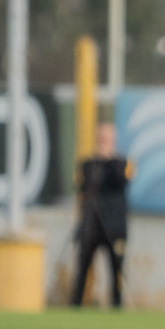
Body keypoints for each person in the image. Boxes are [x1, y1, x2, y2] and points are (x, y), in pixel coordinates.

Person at [71, 122, 131, 308]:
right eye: (101, 137)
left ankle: (116, 306)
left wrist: (109, 159)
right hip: (91, 225)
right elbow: (82, 189)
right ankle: (75, 305)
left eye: (107, 137)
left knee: (116, 270)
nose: (103, 141)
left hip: (114, 227)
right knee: (83, 268)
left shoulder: (122, 164)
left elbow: (121, 182)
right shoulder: (88, 164)